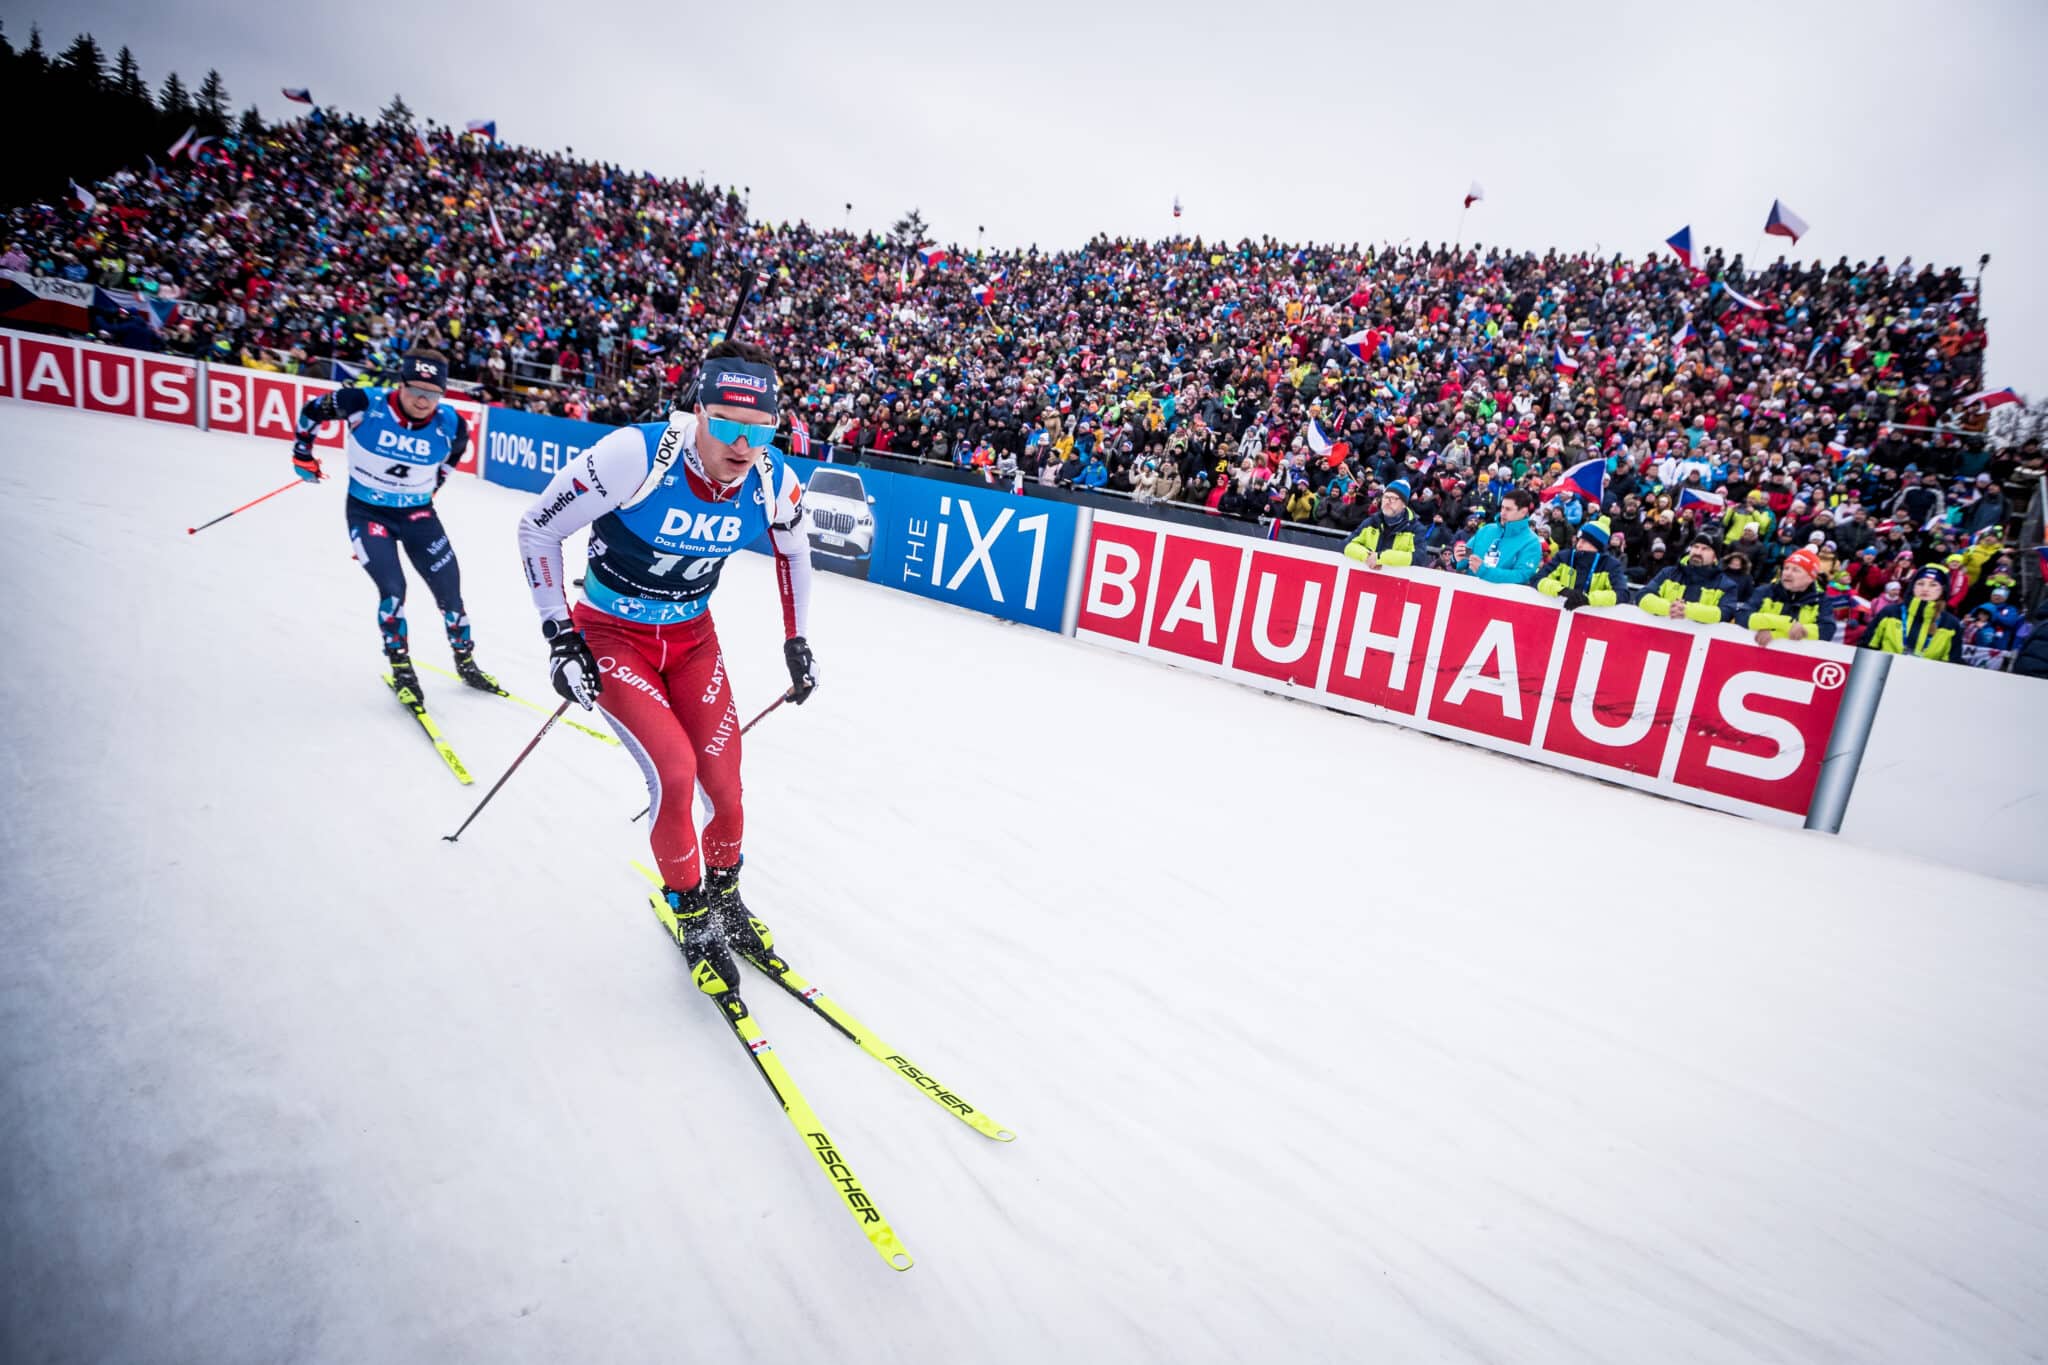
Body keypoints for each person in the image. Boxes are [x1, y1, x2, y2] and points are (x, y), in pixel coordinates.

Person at [514, 339, 820, 997]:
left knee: (727, 787)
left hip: (690, 642)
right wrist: (560, 637)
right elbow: (538, 528)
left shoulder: (771, 479)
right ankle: (692, 914)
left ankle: (726, 898)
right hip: (613, 638)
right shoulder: (636, 456)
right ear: (698, 412)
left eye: (761, 429)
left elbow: (795, 555)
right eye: (730, 425)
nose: (744, 445)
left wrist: (797, 641)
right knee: (676, 775)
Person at [289, 349, 487, 695]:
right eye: (415, 390)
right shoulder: (362, 402)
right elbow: (312, 411)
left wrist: (429, 488)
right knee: (393, 591)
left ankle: (466, 661)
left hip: (419, 516)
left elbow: (453, 457)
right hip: (368, 514)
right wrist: (302, 453)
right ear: (401, 384)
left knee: (450, 594)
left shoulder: (453, 423)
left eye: (432, 394)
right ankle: (401, 668)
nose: (423, 401)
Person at [1864, 565, 1962, 663]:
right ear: (1913, 587)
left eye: (1933, 585)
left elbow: (1951, 663)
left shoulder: (1950, 624)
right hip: (1885, 673)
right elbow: (1867, 647)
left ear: (1942, 590)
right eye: (1920, 583)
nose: (1925, 589)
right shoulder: (1890, 612)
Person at [1450, 488, 1545, 586]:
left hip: (1500, 598)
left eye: (1508, 509)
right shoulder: (1487, 529)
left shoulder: (1531, 542)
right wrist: (1457, 559)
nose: (1503, 513)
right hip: (1468, 593)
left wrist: (1485, 572)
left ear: (1523, 512)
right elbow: (1465, 557)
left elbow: (1521, 576)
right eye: (1502, 507)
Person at [1638, 535, 1740, 625]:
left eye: (1705, 549)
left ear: (1715, 557)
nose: (1698, 552)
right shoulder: (1668, 573)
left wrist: (1686, 610)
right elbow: (1643, 596)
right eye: (1695, 547)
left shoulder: (1726, 585)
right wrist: (1669, 608)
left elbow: (1726, 614)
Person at [1741, 547, 1836, 644]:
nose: (1787, 573)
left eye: (1796, 570)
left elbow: (1827, 631)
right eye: (1786, 568)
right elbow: (1743, 616)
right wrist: (1787, 624)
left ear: (1810, 578)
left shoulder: (1821, 601)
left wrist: (1776, 635)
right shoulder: (1765, 591)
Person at [1535, 516, 1628, 609]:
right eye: (1579, 540)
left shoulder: (1610, 565)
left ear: (1597, 545)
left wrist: (1588, 599)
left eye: (1585, 541)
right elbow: (1538, 579)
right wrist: (1562, 590)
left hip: (1591, 618)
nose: (1579, 545)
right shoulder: (1564, 556)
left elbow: (1622, 594)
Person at [1342, 478, 1428, 569]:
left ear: (1404, 504)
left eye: (1393, 499)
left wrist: (1381, 558)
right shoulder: (1371, 522)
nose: (1387, 502)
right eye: (1386, 497)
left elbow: (1419, 558)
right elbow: (1345, 545)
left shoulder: (1415, 529)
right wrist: (1366, 556)